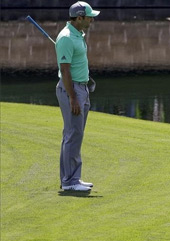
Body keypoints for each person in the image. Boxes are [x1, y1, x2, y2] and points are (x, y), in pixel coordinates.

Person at [55, 1, 99, 191]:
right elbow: (65, 72)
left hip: (81, 88)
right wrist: (73, 97)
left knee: (74, 134)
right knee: (73, 134)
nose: (92, 20)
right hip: (71, 90)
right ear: (80, 17)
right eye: (89, 17)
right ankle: (69, 182)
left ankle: (72, 178)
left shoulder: (77, 35)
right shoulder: (66, 38)